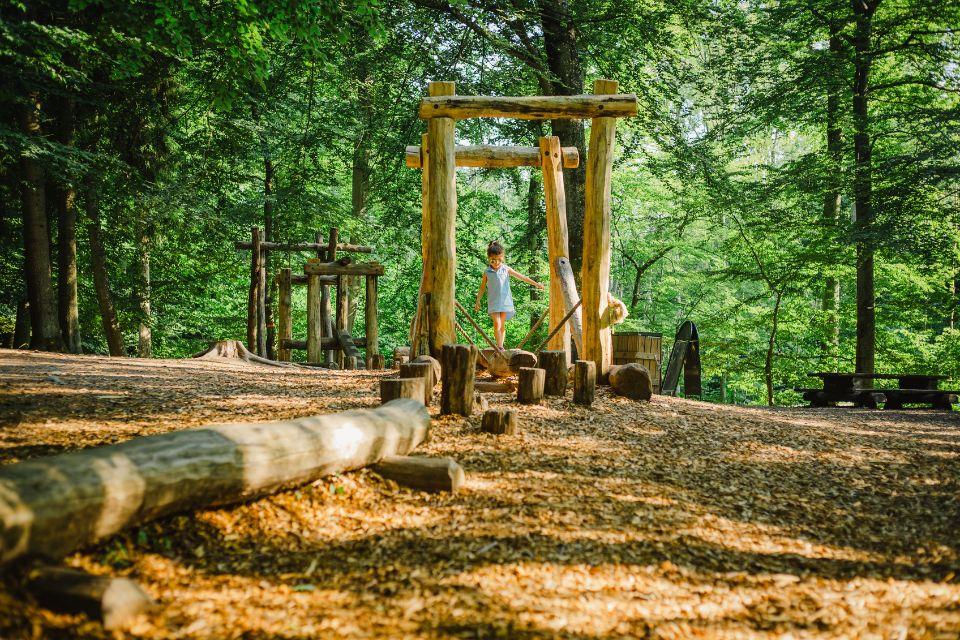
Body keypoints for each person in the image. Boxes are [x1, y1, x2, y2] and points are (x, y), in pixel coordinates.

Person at [474, 241, 544, 349]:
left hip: (505, 301)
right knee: (497, 323)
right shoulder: (487, 272)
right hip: (493, 301)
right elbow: (482, 287)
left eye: (499, 260)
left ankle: (501, 347)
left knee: (502, 325)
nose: (496, 263)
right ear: (489, 258)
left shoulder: (506, 269)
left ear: (502, 258)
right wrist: (478, 300)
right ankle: (500, 347)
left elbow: (522, 277)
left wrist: (536, 284)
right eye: (493, 260)